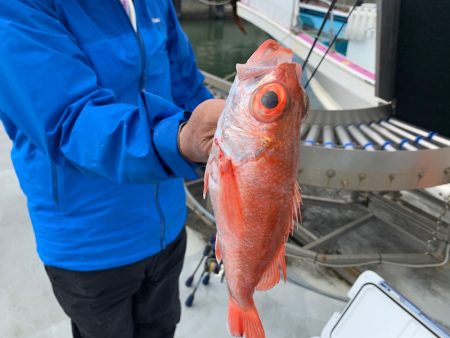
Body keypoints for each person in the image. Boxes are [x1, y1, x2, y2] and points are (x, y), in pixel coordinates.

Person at [0, 1, 224, 337]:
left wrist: (229, 128)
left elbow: (185, 83)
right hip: (90, 244)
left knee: (161, 328)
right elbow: (70, 121)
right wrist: (179, 141)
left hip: (167, 224)